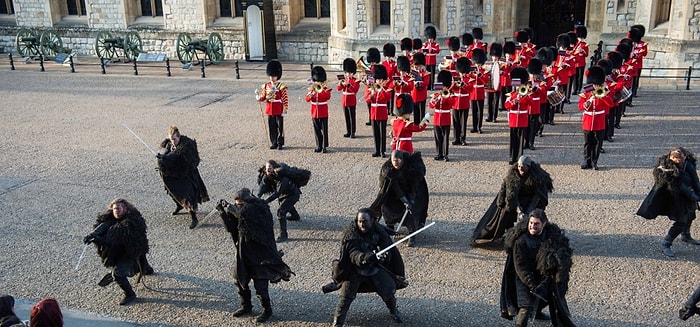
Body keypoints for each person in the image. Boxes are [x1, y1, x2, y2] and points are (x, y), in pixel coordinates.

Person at [216, 188, 294, 323]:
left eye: (241, 204)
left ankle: (267, 310)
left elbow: (247, 218)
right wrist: (223, 213)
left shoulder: (260, 210)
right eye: (237, 204)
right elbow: (231, 228)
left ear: (248, 201)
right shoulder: (241, 212)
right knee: (239, 281)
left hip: (260, 256)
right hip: (243, 254)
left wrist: (234, 210)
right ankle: (246, 306)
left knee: (261, 288)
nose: (238, 206)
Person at [323, 208, 406, 327]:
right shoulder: (351, 235)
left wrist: (383, 256)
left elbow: (385, 247)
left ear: (372, 220)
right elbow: (353, 254)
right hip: (354, 270)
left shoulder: (378, 231)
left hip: (374, 268)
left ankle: (394, 311)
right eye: (359, 221)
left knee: (388, 291)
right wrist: (364, 257)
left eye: (364, 221)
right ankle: (338, 322)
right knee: (346, 297)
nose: (361, 224)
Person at [500, 209, 575, 327]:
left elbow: (557, 261)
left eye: (536, 224)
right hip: (523, 277)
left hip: (542, 274)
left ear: (543, 224)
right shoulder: (520, 241)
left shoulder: (551, 239)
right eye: (531, 223)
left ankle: (540, 313)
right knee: (526, 306)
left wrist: (548, 280)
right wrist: (532, 284)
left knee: (553, 298)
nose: (532, 226)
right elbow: (520, 266)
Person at [471, 155, 553, 246]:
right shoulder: (512, 177)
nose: (520, 169)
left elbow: (538, 196)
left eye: (523, 167)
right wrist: (519, 211)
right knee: (504, 212)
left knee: (534, 215)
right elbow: (512, 195)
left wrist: (529, 211)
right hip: (515, 199)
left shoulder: (538, 177)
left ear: (528, 167)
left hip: (531, 200)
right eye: (519, 167)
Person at [83, 198, 152, 306]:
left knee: (118, 274)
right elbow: (104, 227)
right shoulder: (110, 219)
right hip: (121, 251)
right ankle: (147, 269)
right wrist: (92, 235)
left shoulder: (131, 223)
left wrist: (97, 240)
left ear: (125, 209)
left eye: (118, 208)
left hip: (129, 252)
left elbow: (113, 241)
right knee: (141, 261)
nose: (116, 211)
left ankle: (130, 294)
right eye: (114, 208)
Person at [637, 147, 700, 257]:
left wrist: (698, 193)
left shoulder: (688, 164)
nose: (676, 161)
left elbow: (695, 179)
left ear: (685, 157)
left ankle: (686, 235)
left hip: (688, 194)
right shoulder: (665, 168)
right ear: (670, 156)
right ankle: (666, 243)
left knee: (691, 215)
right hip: (674, 196)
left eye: (679, 159)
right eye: (674, 158)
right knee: (681, 221)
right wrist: (692, 195)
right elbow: (679, 185)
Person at [370, 150, 429, 247]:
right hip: (393, 194)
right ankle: (390, 230)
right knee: (387, 210)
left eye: (397, 161)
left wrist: (410, 201)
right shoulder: (389, 170)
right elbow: (396, 188)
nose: (395, 164)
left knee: (411, 214)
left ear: (402, 160)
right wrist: (404, 200)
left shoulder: (412, 169)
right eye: (394, 161)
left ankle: (411, 235)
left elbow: (414, 187)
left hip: (411, 191)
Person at [157, 125, 210, 229]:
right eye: (171, 139)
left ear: (179, 136)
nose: (173, 142)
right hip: (173, 174)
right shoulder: (167, 144)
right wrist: (162, 158)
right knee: (171, 191)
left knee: (188, 194)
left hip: (187, 173)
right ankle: (179, 205)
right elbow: (164, 156)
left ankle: (194, 217)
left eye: (175, 139)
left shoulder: (187, 144)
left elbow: (179, 154)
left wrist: (168, 157)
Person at [257, 160, 304, 241]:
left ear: (275, 168)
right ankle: (295, 216)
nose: (267, 170)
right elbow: (263, 186)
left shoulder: (283, 178)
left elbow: (278, 193)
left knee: (281, 212)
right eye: (266, 168)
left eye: (269, 168)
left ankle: (283, 235)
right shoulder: (267, 175)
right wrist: (258, 196)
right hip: (284, 194)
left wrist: (266, 201)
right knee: (285, 205)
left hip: (292, 195)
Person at [578, 66, 613, 170]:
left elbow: (610, 104)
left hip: (599, 121)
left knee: (598, 143)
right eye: (595, 84)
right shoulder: (586, 92)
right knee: (587, 143)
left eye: (598, 84)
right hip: (588, 121)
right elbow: (580, 106)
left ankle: (595, 161)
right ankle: (586, 161)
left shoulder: (604, 92)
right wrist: (589, 100)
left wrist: (603, 96)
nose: (596, 86)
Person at [256, 59, 289, 150]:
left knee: (280, 127)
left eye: (274, 76)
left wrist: (285, 109)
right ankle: (273, 142)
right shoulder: (266, 86)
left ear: (277, 76)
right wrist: (259, 97)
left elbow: (285, 98)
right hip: (269, 108)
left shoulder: (280, 86)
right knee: (272, 127)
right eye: (270, 76)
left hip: (278, 108)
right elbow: (263, 97)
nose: (272, 78)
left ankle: (280, 143)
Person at [504, 67, 532, 165]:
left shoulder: (525, 94)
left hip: (522, 119)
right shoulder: (511, 94)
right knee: (513, 139)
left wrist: (524, 97)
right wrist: (514, 102)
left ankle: (520, 158)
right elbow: (506, 105)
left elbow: (530, 103)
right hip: (513, 119)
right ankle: (512, 156)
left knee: (520, 141)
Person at [429, 70, 455, 161]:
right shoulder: (436, 94)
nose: (443, 87)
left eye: (444, 86)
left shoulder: (449, 95)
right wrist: (436, 99)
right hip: (437, 119)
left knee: (445, 138)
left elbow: (452, 103)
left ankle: (445, 154)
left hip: (445, 118)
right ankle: (439, 153)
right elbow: (431, 105)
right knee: (438, 137)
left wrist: (446, 97)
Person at [305, 66, 332, 153]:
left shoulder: (326, 89)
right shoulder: (312, 89)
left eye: (319, 81)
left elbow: (327, 97)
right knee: (316, 129)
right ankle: (318, 145)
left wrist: (321, 91)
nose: (318, 83)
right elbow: (307, 99)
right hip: (314, 111)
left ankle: (324, 146)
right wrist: (311, 94)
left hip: (323, 111)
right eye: (316, 81)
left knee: (324, 129)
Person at [367, 64, 392, 158]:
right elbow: (367, 100)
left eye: (381, 80)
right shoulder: (372, 89)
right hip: (374, 114)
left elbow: (386, 98)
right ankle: (377, 150)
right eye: (378, 79)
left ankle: (382, 151)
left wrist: (381, 90)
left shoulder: (387, 90)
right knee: (375, 133)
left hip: (382, 113)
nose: (380, 81)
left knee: (382, 133)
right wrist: (372, 94)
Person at [337, 58, 361, 138]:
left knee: (352, 117)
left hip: (351, 100)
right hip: (344, 100)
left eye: (350, 73)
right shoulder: (344, 79)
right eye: (347, 72)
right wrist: (341, 84)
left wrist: (348, 85)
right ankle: (348, 131)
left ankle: (353, 132)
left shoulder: (356, 81)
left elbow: (355, 90)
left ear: (353, 72)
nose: (348, 74)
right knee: (346, 117)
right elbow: (338, 89)